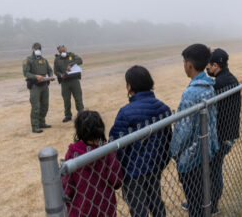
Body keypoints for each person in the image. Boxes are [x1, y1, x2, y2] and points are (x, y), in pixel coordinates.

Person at [109, 65, 172, 217]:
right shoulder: (163, 108)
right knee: (156, 201)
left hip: (133, 171)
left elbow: (117, 144)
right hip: (155, 165)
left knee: (138, 208)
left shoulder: (125, 113)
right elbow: (167, 140)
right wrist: (161, 162)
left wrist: (124, 168)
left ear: (129, 86)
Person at [169, 44, 219, 217]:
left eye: (184, 62)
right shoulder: (209, 86)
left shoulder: (191, 93)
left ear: (189, 64)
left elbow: (183, 129)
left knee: (194, 200)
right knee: (202, 195)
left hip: (192, 156)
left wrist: (174, 152)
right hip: (206, 150)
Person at [62, 110, 123, 217]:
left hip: (80, 209)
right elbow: (116, 181)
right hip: (105, 209)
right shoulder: (107, 151)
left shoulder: (73, 153)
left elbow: (67, 185)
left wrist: (68, 199)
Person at [205, 48, 241, 214]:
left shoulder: (219, 83)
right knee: (215, 169)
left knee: (213, 171)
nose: (207, 68)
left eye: (209, 65)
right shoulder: (230, 78)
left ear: (216, 65)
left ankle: (211, 206)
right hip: (229, 133)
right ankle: (211, 204)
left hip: (221, 135)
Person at [22, 42, 55, 133]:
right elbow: (26, 73)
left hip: (44, 85)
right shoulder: (28, 60)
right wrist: (36, 76)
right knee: (36, 107)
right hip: (35, 86)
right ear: (32, 49)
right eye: (36, 49)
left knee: (45, 105)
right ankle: (35, 126)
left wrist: (51, 76)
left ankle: (42, 122)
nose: (38, 50)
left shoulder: (44, 60)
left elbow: (49, 70)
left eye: (39, 49)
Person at [54, 45, 84, 122]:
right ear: (58, 51)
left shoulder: (72, 55)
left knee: (78, 98)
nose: (63, 52)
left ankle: (81, 114)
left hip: (74, 80)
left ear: (66, 49)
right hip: (65, 82)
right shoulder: (57, 59)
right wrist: (60, 75)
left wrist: (71, 64)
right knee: (66, 100)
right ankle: (68, 115)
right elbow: (56, 71)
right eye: (61, 51)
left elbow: (80, 60)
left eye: (64, 50)